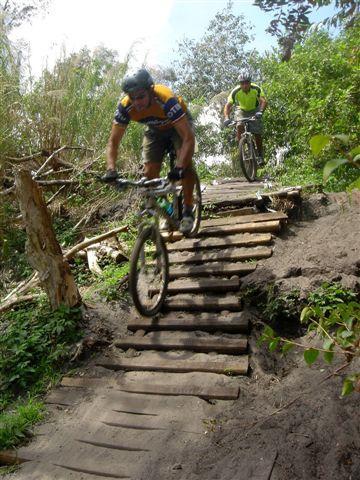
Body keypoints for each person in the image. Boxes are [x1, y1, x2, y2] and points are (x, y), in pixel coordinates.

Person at [102, 68, 196, 234]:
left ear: (151, 91)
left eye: (141, 97)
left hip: (178, 126)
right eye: (132, 97)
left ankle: (188, 209)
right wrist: (111, 169)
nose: (137, 102)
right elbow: (113, 142)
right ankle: (166, 211)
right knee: (149, 175)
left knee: (185, 164)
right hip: (155, 129)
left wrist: (180, 167)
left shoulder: (166, 99)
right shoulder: (125, 107)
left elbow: (188, 137)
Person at [223, 71, 267, 165]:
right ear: (240, 84)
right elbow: (228, 106)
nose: (245, 85)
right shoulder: (236, 91)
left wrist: (260, 112)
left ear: (250, 83)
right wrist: (226, 117)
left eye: (247, 83)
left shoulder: (256, 89)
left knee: (257, 133)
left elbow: (263, 101)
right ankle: (242, 147)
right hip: (242, 111)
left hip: (255, 110)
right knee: (239, 125)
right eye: (242, 83)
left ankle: (260, 155)